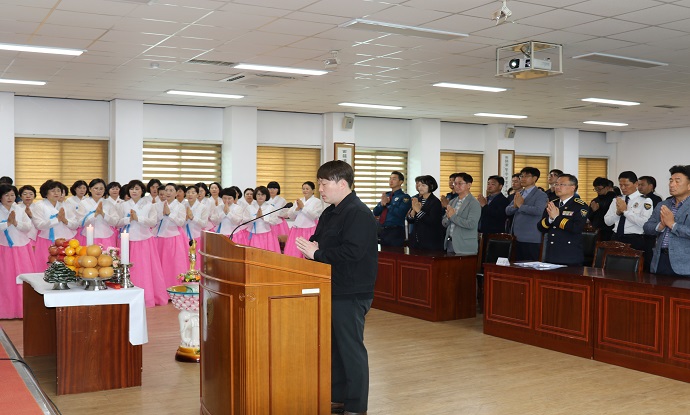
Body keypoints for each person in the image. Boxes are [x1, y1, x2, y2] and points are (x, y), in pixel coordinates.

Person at [294, 160, 378, 415]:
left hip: (351, 291)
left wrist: (317, 254)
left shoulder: (358, 213)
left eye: (323, 183)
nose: (320, 189)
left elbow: (353, 251)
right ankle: (338, 398)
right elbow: (318, 240)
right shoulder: (332, 211)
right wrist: (311, 247)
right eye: (319, 183)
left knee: (351, 350)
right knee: (335, 348)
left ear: (342, 184)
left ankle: (356, 406)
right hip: (331, 287)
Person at [119, 180, 168, 307]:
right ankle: (126, 296)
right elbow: (117, 222)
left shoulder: (149, 205)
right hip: (127, 240)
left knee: (145, 269)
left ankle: (148, 297)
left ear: (142, 191)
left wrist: (138, 218)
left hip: (144, 239)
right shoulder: (123, 205)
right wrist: (128, 219)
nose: (134, 191)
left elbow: (153, 222)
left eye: (137, 189)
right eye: (131, 189)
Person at [643, 165, 690, 276]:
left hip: (685, 263)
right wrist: (661, 225)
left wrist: (673, 225)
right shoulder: (663, 204)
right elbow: (647, 227)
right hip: (660, 259)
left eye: (677, 181)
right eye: (671, 181)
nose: (672, 184)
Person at [0, 184, 38, 319]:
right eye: (6, 195)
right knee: (6, 280)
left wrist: (16, 223)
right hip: (4, 248)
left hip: (22, 247)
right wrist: (7, 223)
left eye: (12, 195)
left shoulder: (19, 209)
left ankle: (23, 310)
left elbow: (28, 226)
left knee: (23, 278)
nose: (9, 198)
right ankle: (6, 311)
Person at [538, 174, 587, 265]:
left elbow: (576, 228)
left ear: (573, 187)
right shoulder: (553, 203)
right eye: (556, 184)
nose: (557, 187)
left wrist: (556, 218)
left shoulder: (580, 206)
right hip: (551, 254)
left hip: (569, 255)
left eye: (562, 184)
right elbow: (540, 227)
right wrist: (550, 219)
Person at [604, 171, 653, 256]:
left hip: (634, 239)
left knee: (630, 268)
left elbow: (644, 223)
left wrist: (626, 212)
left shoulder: (645, 200)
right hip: (615, 237)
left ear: (636, 184)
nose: (623, 188)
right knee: (611, 266)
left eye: (626, 185)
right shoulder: (617, 199)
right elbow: (607, 222)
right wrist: (617, 213)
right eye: (620, 185)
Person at [505, 167, 548, 261]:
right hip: (516, 236)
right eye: (521, 176)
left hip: (531, 237)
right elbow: (507, 210)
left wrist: (521, 206)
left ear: (535, 178)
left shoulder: (541, 195)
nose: (522, 179)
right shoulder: (520, 193)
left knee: (530, 267)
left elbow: (538, 211)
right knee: (516, 266)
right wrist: (515, 207)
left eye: (526, 176)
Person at [32, 180, 79, 261]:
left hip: (66, 240)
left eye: (58, 191)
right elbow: (39, 225)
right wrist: (57, 219)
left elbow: (75, 224)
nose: (56, 193)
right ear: (46, 193)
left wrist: (65, 220)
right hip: (47, 240)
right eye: (53, 191)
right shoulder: (39, 206)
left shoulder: (66, 205)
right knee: (46, 265)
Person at [155, 183, 190, 287]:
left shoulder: (180, 206)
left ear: (176, 193)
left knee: (174, 265)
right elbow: (154, 221)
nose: (168, 192)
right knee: (161, 264)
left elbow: (181, 222)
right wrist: (162, 214)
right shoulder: (159, 205)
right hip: (160, 237)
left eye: (171, 190)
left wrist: (169, 214)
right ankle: (162, 289)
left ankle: (176, 288)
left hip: (174, 237)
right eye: (166, 190)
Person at [442, 172, 481, 255]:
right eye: (455, 183)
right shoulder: (452, 201)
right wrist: (448, 218)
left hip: (464, 246)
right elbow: (444, 222)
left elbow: (471, 224)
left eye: (460, 183)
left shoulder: (474, 203)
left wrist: (452, 216)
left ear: (469, 185)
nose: (456, 186)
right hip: (450, 243)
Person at [284, 181, 324, 258]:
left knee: (306, 252)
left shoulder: (317, 201)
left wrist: (303, 207)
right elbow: (291, 216)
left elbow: (314, 216)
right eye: (303, 189)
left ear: (313, 190)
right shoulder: (299, 201)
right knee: (294, 251)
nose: (305, 190)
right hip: (296, 230)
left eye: (307, 189)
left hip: (309, 230)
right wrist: (297, 208)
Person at [405, 175, 445, 251]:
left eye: (423, 185)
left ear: (431, 186)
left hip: (430, 241)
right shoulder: (418, 199)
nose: (420, 188)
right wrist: (413, 211)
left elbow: (431, 221)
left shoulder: (435, 202)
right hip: (416, 240)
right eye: (419, 185)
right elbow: (410, 220)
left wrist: (418, 211)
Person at [372, 171, 411, 247]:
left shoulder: (404, 197)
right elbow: (375, 212)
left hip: (395, 231)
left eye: (394, 179)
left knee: (395, 256)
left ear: (401, 182)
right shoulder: (387, 195)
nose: (391, 181)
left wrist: (388, 204)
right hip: (382, 230)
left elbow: (400, 213)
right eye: (390, 179)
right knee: (383, 256)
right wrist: (382, 205)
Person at [80, 178, 119, 248]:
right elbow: (80, 222)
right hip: (87, 236)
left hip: (106, 235)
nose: (98, 191)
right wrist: (95, 214)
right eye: (96, 188)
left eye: (101, 189)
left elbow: (115, 221)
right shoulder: (83, 203)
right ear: (90, 189)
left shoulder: (108, 203)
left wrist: (103, 214)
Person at [245, 186, 281, 253]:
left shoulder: (270, 208)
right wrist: (255, 218)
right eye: (258, 194)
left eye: (263, 194)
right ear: (255, 195)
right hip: (253, 235)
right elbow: (245, 221)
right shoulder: (250, 207)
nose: (260, 196)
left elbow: (274, 222)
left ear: (266, 196)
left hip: (267, 235)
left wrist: (263, 218)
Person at [182, 184, 210, 269]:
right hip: (184, 237)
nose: (190, 194)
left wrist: (192, 217)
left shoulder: (203, 207)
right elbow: (179, 223)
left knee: (196, 260)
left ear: (197, 195)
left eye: (193, 192)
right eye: (188, 192)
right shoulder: (182, 206)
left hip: (197, 236)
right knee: (185, 259)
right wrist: (186, 219)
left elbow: (204, 224)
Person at [588, 177, 616, 241]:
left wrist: (597, 210)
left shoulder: (614, 199)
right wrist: (593, 211)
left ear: (607, 188)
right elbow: (589, 217)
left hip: (609, 231)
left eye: (599, 189)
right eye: (596, 189)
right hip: (596, 230)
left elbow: (612, 217)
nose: (597, 191)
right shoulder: (595, 200)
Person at [65, 180, 89, 245]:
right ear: (75, 189)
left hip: (86, 227)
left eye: (84, 188)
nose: (82, 190)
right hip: (74, 227)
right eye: (79, 188)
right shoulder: (69, 200)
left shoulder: (88, 200)